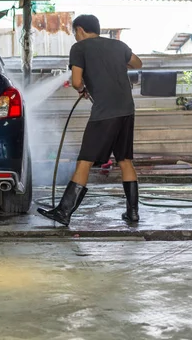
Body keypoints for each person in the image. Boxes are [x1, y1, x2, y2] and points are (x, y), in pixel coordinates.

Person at [37, 14, 143, 226]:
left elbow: (76, 81)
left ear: (80, 30)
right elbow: (138, 63)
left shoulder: (80, 48)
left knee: (84, 160)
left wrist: (83, 89)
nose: (75, 36)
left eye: (75, 32)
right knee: (125, 160)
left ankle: (64, 212)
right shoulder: (117, 45)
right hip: (126, 110)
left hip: (104, 112)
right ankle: (132, 213)